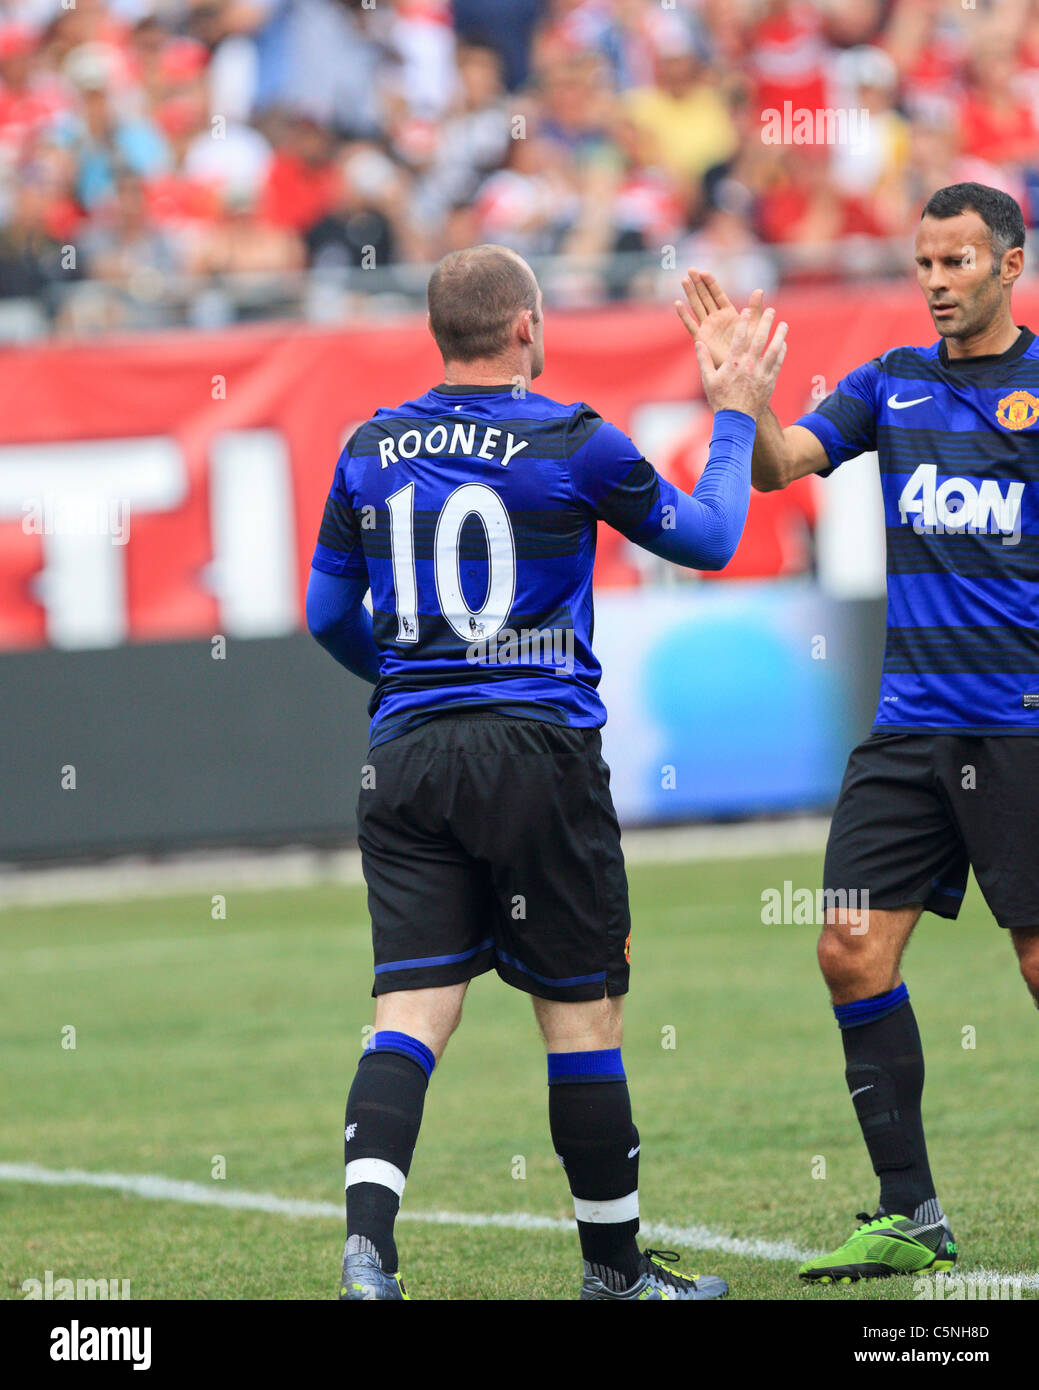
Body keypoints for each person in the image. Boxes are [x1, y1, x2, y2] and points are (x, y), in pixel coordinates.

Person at [307, 242, 787, 1300]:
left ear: (438, 333)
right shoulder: (574, 441)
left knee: (410, 1014)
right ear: (527, 325)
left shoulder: (368, 448)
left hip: (409, 758)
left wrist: (405, 683)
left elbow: (325, 615)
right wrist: (735, 412)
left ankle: (367, 1253)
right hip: (539, 753)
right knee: (580, 1017)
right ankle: (614, 1274)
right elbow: (706, 539)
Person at [677, 182, 1039, 1284]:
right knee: (845, 946)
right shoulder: (891, 384)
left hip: (1022, 730)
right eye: (923, 263)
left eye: (957, 263)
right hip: (908, 730)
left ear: (1010, 265)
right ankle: (908, 1212)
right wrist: (738, 399)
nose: (934, 283)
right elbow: (787, 463)